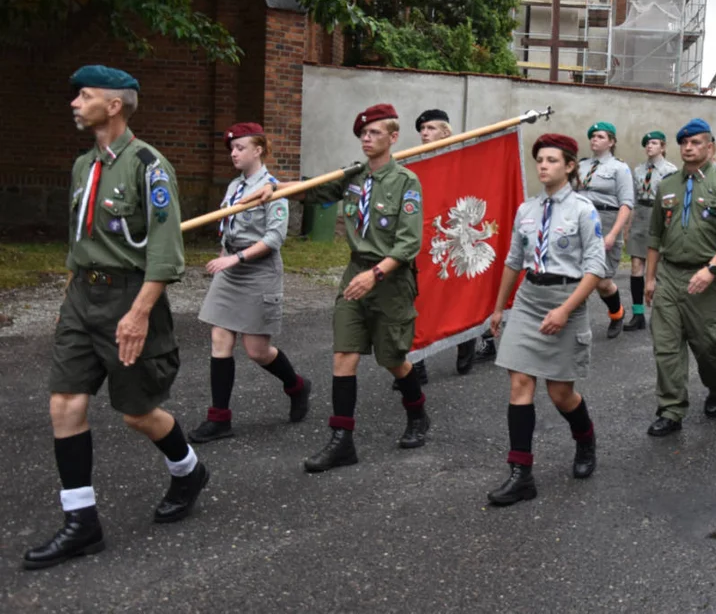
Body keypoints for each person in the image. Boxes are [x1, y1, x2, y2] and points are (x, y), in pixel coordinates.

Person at [25, 66, 208, 571]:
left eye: (85, 96)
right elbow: (79, 242)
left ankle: (188, 470)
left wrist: (139, 314)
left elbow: (167, 254)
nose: (74, 103)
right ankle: (81, 522)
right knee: (65, 402)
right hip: (83, 297)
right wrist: (69, 300)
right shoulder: (84, 165)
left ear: (114, 105)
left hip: (130, 298)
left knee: (136, 413)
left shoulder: (150, 167)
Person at [247, 103, 430, 471]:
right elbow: (313, 190)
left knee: (392, 359)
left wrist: (375, 275)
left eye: (375, 132)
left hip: (389, 281)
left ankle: (418, 414)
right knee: (343, 356)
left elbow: (409, 244)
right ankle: (342, 440)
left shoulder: (406, 182)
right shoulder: (354, 175)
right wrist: (274, 188)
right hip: (355, 275)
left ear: (393, 138)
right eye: (363, 132)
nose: (366, 137)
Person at [485, 134, 605, 505]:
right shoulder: (527, 210)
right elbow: (512, 260)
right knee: (520, 382)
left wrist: (565, 310)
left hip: (565, 299)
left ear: (569, 166)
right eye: (539, 159)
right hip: (529, 298)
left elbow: (596, 268)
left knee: (560, 392)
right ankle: (521, 473)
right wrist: (499, 306)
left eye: (552, 160)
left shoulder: (584, 210)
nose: (543, 165)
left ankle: (585, 440)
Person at [189, 123, 310, 443]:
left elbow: (274, 238)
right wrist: (225, 252)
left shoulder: (274, 189)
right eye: (232, 148)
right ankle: (219, 418)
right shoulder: (234, 187)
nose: (233, 153)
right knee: (220, 340)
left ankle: (297, 386)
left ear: (259, 150)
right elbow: (230, 226)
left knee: (257, 350)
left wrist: (236, 258)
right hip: (231, 270)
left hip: (259, 272)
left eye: (240, 147)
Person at [645, 118, 716, 435]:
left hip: (706, 276)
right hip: (671, 274)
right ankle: (671, 410)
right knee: (666, 346)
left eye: (696, 142)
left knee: (708, 347)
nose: (689, 147)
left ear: (710, 147)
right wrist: (649, 279)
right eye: (684, 142)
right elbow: (654, 236)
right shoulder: (667, 185)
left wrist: (711, 269)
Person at [409, 109, 496, 380]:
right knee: (422, 299)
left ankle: (466, 339)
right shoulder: (413, 162)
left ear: (446, 132)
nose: (424, 133)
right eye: (422, 129)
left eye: (431, 128)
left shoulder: (464, 159)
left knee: (459, 297)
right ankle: (417, 364)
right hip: (426, 240)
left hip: (458, 241)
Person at [577, 122, 634, 338]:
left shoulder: (620, 168)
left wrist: (613, 234)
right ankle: (574, 325)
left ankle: (617, 313)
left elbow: (626, 204)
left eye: (600, 136)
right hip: (582, 222)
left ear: (611, 141)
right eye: (592, 136)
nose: (594, 139)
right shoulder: (581, 166)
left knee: (602, 281)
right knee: (578, 275)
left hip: (607, 222)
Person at [625, 131, 677, 332]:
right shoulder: (638, 170)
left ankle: (663, 314)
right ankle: (638, 314)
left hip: (660, 216)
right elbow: (633, 199)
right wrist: (628, 227)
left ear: (662, 147)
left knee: (659, 269)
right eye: (647, 143)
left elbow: (673, 199)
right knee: (636, 267)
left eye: (654, 143)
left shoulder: (670, 171)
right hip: (640, 216)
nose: (649, 146)